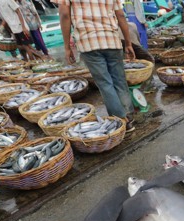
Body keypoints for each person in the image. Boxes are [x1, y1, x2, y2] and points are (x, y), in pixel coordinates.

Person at [56, 0, 137, 132]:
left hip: (88, 42)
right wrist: (128, 43)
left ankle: (121, 120)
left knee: (105, 83)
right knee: (119, 81)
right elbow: (121, 15)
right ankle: (128, 116)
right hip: (111, 40)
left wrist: (67, 47)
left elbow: (65, 14)